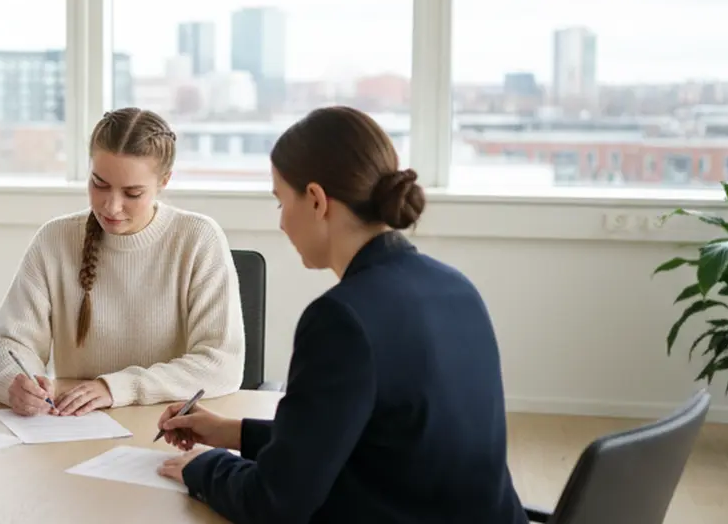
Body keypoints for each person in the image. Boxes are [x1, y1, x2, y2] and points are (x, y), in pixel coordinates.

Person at [155, 106, 528, 523]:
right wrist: (233, 432)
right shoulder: (456, 287)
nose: (281, 223)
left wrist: (203, 468)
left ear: (316, 200)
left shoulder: (341, 319)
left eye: (281, 202)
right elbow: (364, 437)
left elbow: (275, 502)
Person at [0, 107, 246, 418]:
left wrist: (116, 388)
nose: (111, 206)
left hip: (163, 428)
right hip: (70, 429)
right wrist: (18, 383)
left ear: (164, 181)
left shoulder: (198, 238)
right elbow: (6, 346)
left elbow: (221, 364)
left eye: (132, 193)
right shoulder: (55, 239)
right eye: (99, 184)